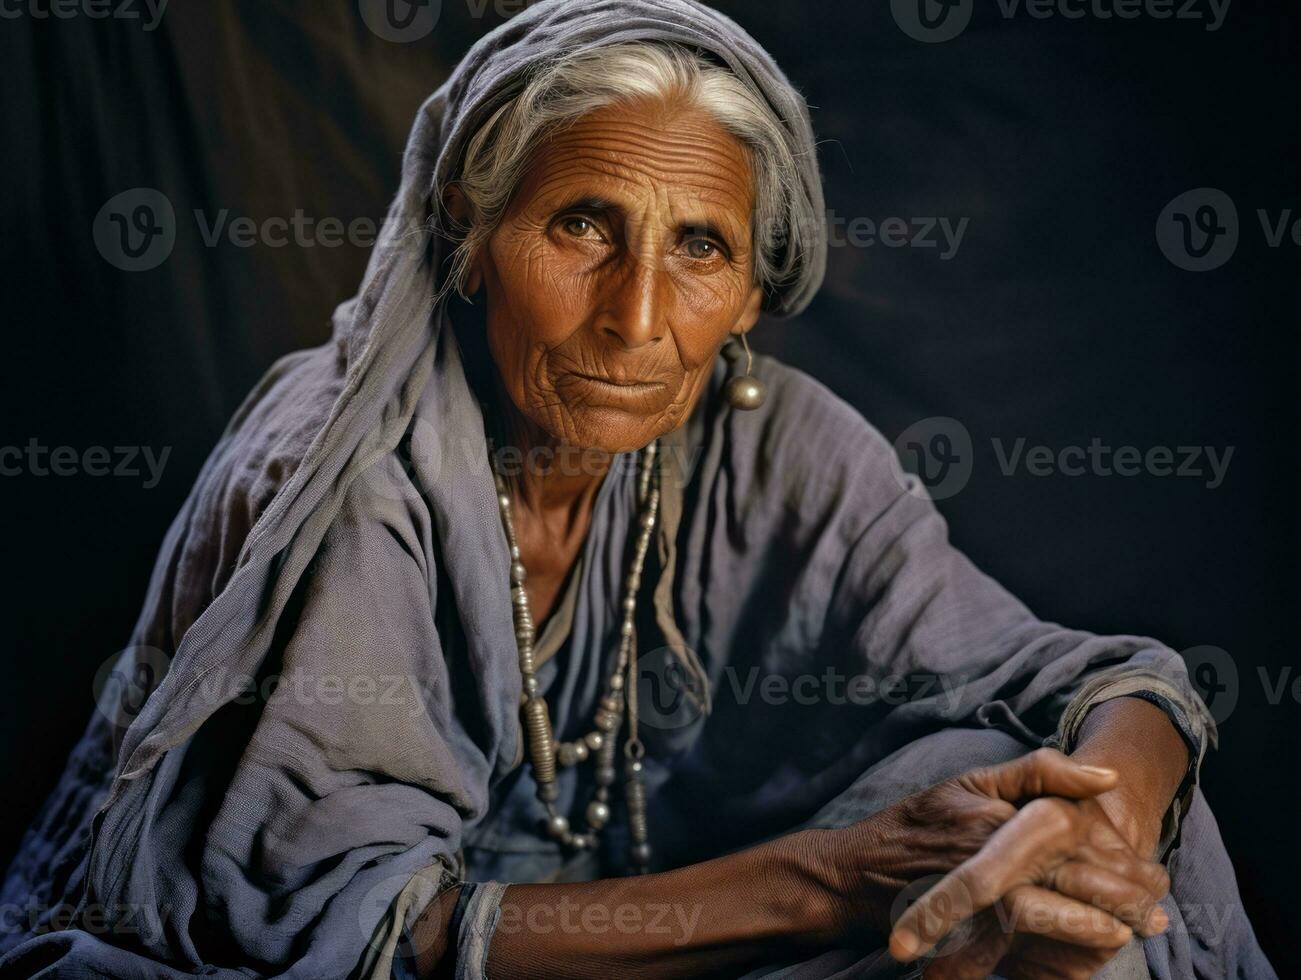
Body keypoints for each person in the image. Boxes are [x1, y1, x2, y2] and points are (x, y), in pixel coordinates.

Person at [0, 1, 1274, 977]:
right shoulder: (350, 476)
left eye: (700, 246)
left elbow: (1100, 677)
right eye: (582, 226)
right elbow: (360, 928)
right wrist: (829, 882)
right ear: (469, 232)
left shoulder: (773, 448)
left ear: (751, 293)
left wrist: (1100, 820)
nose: (639, 317)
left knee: (1044, 843)